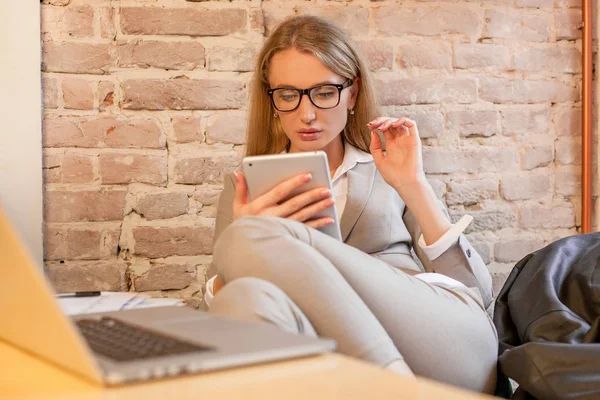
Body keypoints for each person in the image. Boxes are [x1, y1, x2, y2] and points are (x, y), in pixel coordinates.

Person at [203, 15, 498, 393]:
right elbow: (215, 311)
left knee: (246, 240)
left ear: (353, 93)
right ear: (272, 101)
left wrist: (413, 185)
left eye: (324, 92)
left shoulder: (388, 169)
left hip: (444, 344)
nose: (306, 114)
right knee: (246, 297)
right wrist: (245, 254)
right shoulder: (245, 188)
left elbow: (476, 291)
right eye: (288, 95)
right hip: (330, 357)